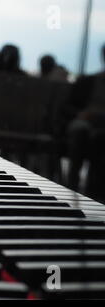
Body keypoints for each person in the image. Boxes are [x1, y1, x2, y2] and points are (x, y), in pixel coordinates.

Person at [64, 45, 105, 201]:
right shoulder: (87, 81)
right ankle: (73, 185)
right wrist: (81, 114)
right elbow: (67, 107)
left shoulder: (88, 81)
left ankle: (88, 189)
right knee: (80, 130)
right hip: (85, 122)